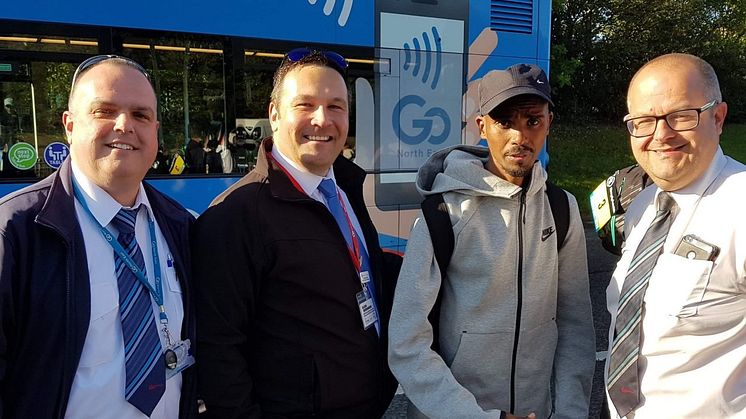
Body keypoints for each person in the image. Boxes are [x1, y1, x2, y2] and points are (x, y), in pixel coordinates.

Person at [192, 48, 400, 418]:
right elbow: (218, 351)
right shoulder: (235, 215)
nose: (323, 119)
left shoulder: (346, 189)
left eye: (336, 107)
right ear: (274, 114)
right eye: (305, 105)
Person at [388, 63, 595, 419]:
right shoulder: (443, 212)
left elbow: (575, 325)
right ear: (482, 127)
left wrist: (568, 412)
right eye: (504, 122)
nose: (519, 136)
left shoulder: (561, 208)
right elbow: (407, 342)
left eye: (532, 120)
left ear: (549, 123)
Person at [0, 55, 197, 418]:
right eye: (104, 111)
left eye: (140, 115)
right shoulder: (14, 232)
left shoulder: (181, 226)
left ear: (155, 130)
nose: (124, 125)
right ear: (70, 126)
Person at [605, 53, 746, 418]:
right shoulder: (643, 207)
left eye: (682, 116)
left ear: (718, 117)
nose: (661, 135)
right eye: (643, 121)